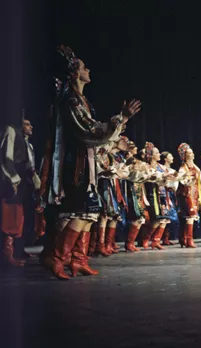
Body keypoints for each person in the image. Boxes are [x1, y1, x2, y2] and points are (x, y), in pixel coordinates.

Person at [40, 45, 141, 279]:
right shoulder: (71, 101)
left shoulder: (82, 101)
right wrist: (121, 118)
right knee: (79, 212)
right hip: (75, 164)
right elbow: (89, 130)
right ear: (75, 73)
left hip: (87, 164)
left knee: (89, 214)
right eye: (85, 68)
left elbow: (95, 136)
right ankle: (57, 257)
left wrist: (116, 131)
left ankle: (78, 259)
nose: (89, 71)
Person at [1, 119, 40, 267]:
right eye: (27, 124)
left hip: (23, 182)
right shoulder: (11, 131)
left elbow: (29, 165)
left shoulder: (26, 143)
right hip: (12, 182)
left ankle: (16, 250)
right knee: (10, 216)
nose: (30, 126)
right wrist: (13, 179)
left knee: (20, 217)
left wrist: (35, 181)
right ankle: (7, 255)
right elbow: (6, 157)